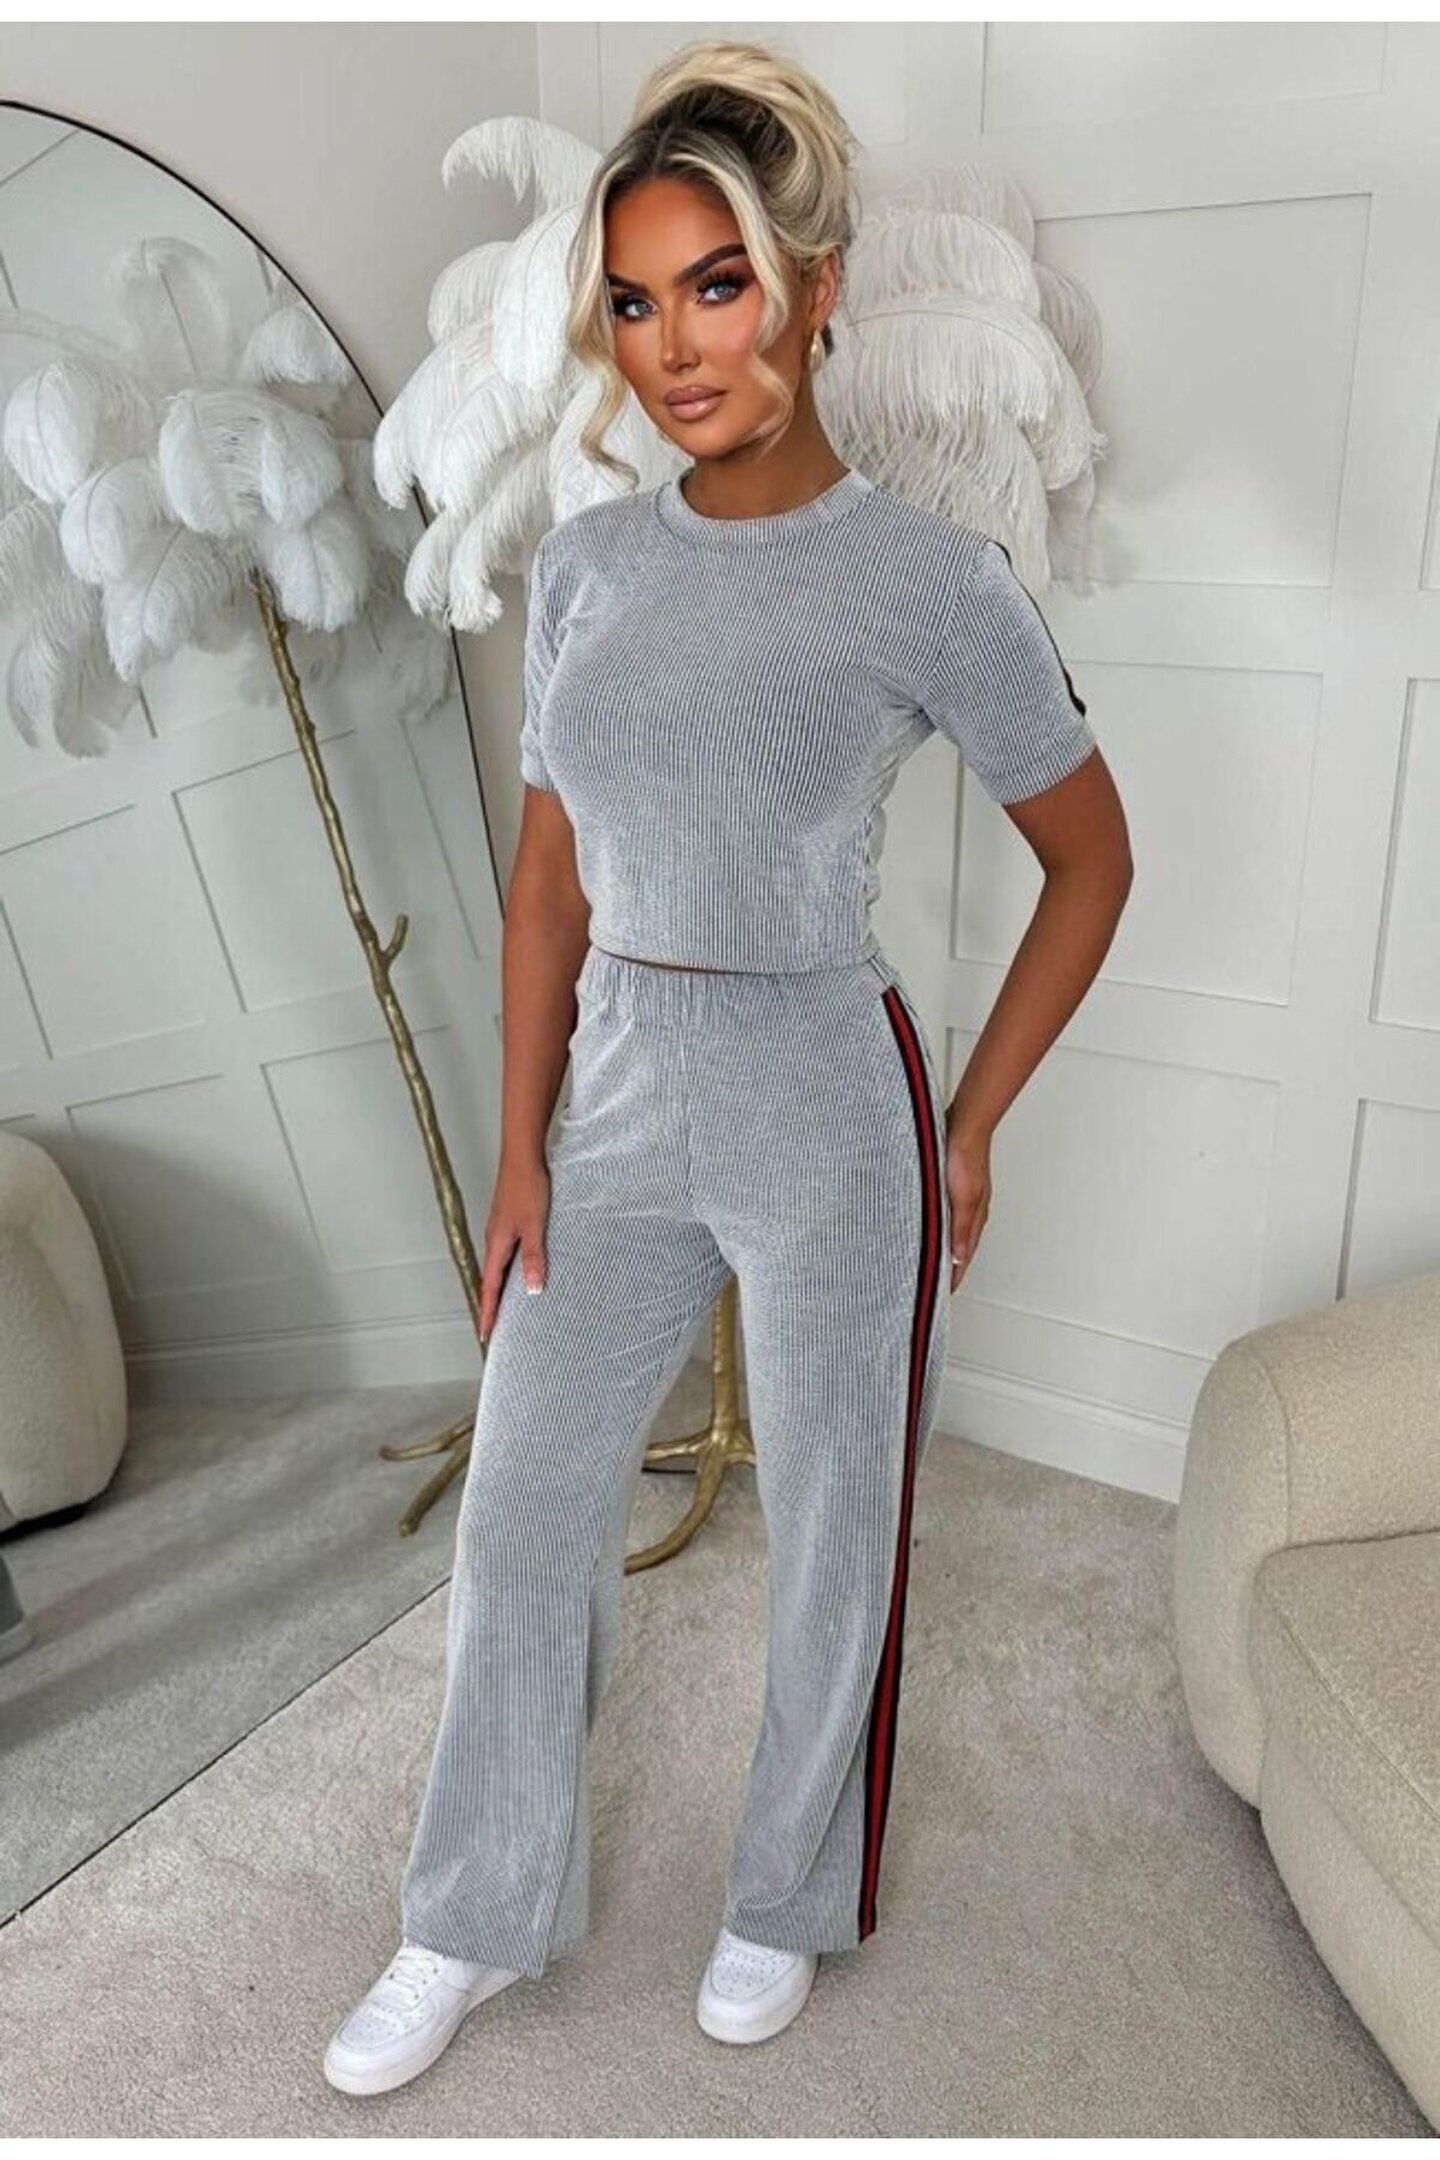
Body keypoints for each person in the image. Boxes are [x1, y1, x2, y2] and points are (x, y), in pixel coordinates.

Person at [324, 38, 1132, 2099]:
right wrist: (518, 1149)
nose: (673, 344)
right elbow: (542, 887)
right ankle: (466, 1917)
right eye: (634, 298)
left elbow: (1093, 859)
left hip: (821, 1085)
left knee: (839, 1519)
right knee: (524, 1510)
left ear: (812, 286)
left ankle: (784, 1893)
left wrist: (967, 1126)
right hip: (615, 1083)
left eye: (716, 284)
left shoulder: (929, 582)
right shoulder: (590, 570)